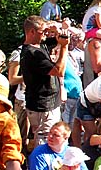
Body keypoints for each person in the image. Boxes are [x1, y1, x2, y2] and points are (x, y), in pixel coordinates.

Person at [20, 16, 69, 150]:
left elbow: (57, 39)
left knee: (45, 138)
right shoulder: (32, 53)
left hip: (46, 104)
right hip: (43, 107)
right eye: (42, 32)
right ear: (31, 32)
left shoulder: (38, 46)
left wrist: (56, 29)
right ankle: (40, 167)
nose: (45, 35)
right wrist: (64, 48)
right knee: (46, 140)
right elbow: (59, 71)